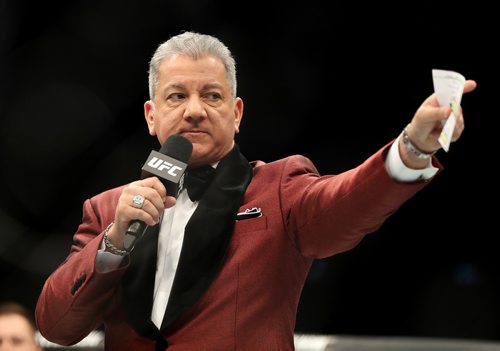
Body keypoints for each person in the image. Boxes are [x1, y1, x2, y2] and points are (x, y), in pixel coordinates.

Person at [35, 31, 477, 350]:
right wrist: (113, 242)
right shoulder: (108, 209)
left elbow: (347, 202)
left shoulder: (279, 188)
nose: (194, 111)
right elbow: (56, 327)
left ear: (237, 112)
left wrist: (413, 147)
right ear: (151, 116)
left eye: (211, 95)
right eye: (176, 97)